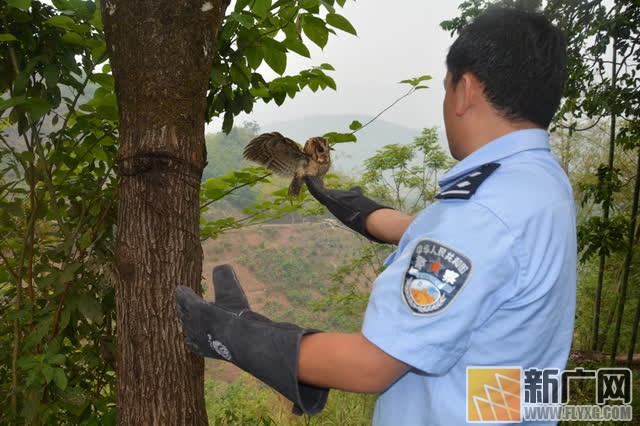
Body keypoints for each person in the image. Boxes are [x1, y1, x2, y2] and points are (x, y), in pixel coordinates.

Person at [175, 6, 576, 425]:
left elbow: (371, 365)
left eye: (445, 87)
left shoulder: (480, 211)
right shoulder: (541, 184)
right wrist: (353, 207)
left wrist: (233, 333)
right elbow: (455, 245)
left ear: (466, 90)